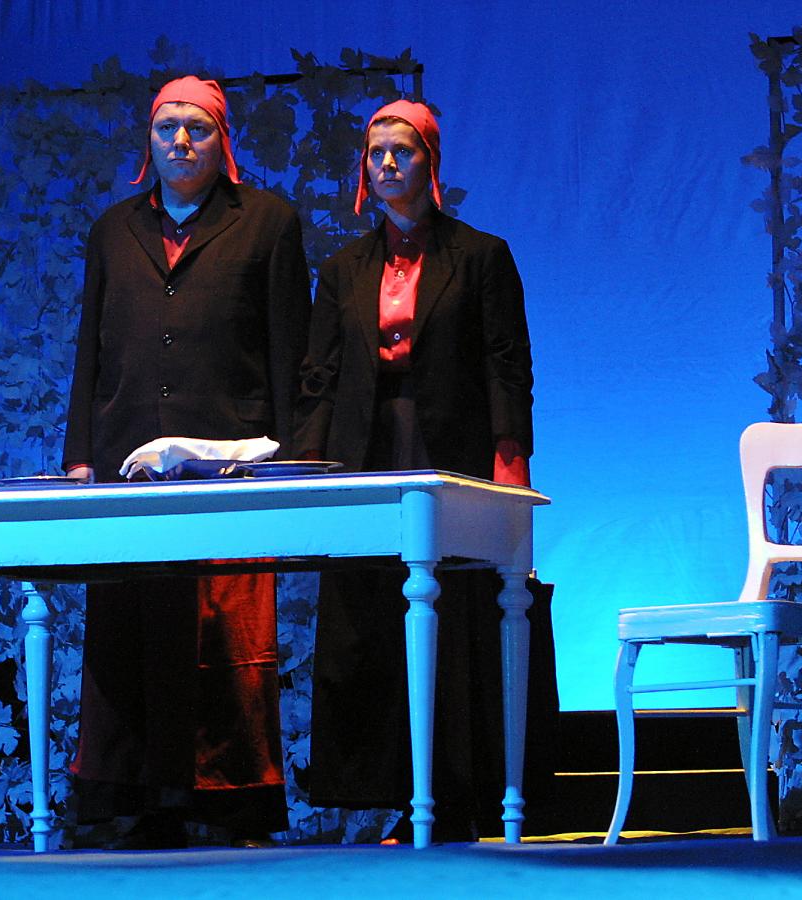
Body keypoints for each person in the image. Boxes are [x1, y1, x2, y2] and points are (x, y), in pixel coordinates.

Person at [294, 99, 556, 842]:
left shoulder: (479, 256)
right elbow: (319, 375)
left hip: (450, 450)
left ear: (429, 163)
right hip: (363, 452)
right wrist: (308, 465)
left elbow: (507, 365)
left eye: (401, 150)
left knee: (457, 613)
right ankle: (389, 795)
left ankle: (457, 797)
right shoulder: (343, 269)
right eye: (375, 152)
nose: (386, 163)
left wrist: (510, 458)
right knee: (371, 616)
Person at [62, 76, 311, 849]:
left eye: (196, 128)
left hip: (228, 461)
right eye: (166, 126)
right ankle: (139, 801)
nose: (179, 141)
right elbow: (91, 349)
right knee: (129, 628)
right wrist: (79, 456)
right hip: (127, 462)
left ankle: (235, 803)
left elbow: (288, 346)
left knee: (224, 633)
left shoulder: (264, 222)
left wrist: (294, 456)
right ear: (148, 138)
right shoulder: (114, 229)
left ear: (221, 139)